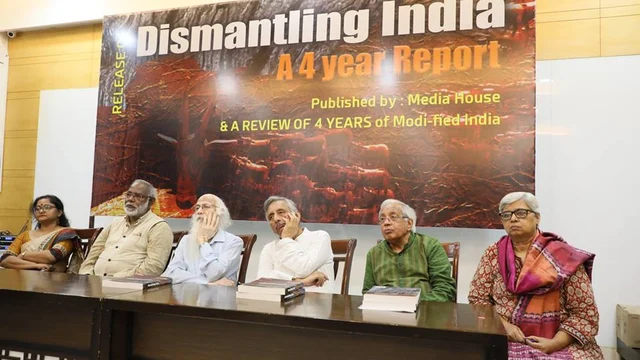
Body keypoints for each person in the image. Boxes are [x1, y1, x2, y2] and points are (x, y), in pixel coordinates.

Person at [468, 192, 603, 359]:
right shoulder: (493, 253)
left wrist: (555, 343)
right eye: (506, 215)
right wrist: (503, 326)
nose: (514, 219)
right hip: (505, 336)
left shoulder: (563, 257)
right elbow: (477, 298)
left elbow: (585, 312)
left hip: (559, 341)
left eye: (521, 213)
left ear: (537, 217)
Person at [362, 199, 456, 302]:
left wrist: (418, 306)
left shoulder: (430, 246)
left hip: (424, 312)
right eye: (382, 219)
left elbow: (445, 288)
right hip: (385, 313)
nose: (386, 223)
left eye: (393, 217)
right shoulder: (373, 253)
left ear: (409, 223)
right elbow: (367, 292)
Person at [79, 179, 173, 277]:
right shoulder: (115, 224)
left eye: (138, 196)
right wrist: (86, 275)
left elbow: (153, 268)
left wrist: (116, 279)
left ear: (151, 202)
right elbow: (91, 257)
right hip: (94, 284)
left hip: (128, 288)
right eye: (128, 194)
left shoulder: (158, 227)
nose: (131, 199)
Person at [256, 196, 334, 292]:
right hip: (279, 304)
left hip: (314, 303)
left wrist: (286, 238)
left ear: (296, 215)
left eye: (281, 212)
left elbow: (304, 268)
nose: (275, 219)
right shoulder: (269, 248)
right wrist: (301, 282)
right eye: (270, 217)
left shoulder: (320, 237)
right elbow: (262, 283)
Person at [162, 194, 243, 285]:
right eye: (197, 208)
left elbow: (214, 274)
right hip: (188, 295)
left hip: (218, 296)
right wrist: (205, 282)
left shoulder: (234, 242)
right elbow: (171, 273)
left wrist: (203, 242)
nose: (199, 211)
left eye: (206, 207)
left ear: (220, 213)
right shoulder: (186, 240)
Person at [0, 195, 83, 273]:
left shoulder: (66, 233)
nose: (41, 210)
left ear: (59, 212)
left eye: (47, 207)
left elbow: (52, 256)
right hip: (22, 278)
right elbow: (5, 259)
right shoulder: (25, 235)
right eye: (37, 208)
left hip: (53, 281)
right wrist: (36, 266)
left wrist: (23, 255)